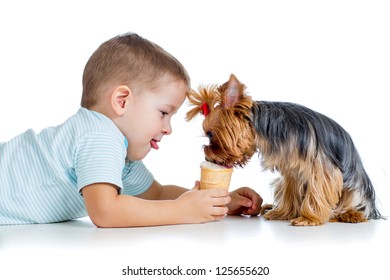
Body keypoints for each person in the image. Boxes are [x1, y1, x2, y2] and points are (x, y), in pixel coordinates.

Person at [0, 32, 262, 227]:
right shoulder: (100, 136)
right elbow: (105, 212)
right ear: (121, 101)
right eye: (163, 113)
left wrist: (219, 202)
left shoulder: (121, 154)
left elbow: (157, 194)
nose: (168, 128)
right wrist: (182, 212)